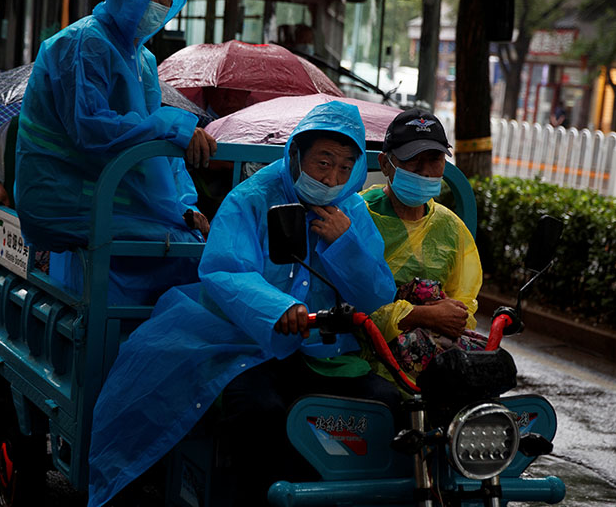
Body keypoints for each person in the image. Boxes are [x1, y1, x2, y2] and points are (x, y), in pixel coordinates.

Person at [87, 101, 397, 507]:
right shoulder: (251, 199)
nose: (333, 177)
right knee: (261, 411)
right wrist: (277, 310)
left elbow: (377, 293)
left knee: (387, 406)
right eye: (323, 163)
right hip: (245, 347)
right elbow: (226, 271)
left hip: (325, 355)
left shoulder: (352, 211)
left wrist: (346, 244)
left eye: (344, 167)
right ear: (296, 155)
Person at [14, 0, 215, 304]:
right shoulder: (83, 43)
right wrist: (174, 129)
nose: (161, 4)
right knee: (187, 260)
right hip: (64, 193)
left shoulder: (142, 60)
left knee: (193, 245)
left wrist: (184, 206)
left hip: (107, 192)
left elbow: (161, 158)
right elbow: (93, 129)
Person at [360, 109, 483, 382]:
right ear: (385, 164)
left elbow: (463, 301)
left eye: (435, 159)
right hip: (366, 356)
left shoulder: (451, 228)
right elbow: (353, 302)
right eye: (412, 161)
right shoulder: (357, 217)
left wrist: (452, 313)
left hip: (437, 364)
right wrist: (424, 315)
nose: (426, 172)